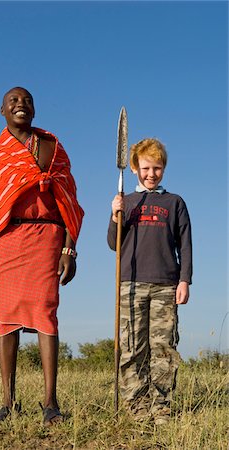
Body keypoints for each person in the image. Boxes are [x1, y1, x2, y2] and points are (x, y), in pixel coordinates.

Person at [0, 87, 84, 425]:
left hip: (46, 237)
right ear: (1, 109)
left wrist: (69, 248)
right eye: (13, 101)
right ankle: (7, 403)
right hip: (3, 240)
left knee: (45, 314)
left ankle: (50, 404)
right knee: (6, 320)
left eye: (27, 100)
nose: (21, 104)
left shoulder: (51, 147)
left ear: (35, 109)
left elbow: (70, 201)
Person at [107, 138, 192, 425]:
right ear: (134, 168)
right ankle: (136, 405)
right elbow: (112, 244)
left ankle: (162, 407)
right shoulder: (127, 202)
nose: (151, 174)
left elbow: (186, 245)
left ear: (163, 169)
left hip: (165, 285)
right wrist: (115, 214)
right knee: (132, 346)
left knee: (163, 348)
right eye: (145, 168)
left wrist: (184, 280)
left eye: (157, 168)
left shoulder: (174, 203)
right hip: (130, 284)